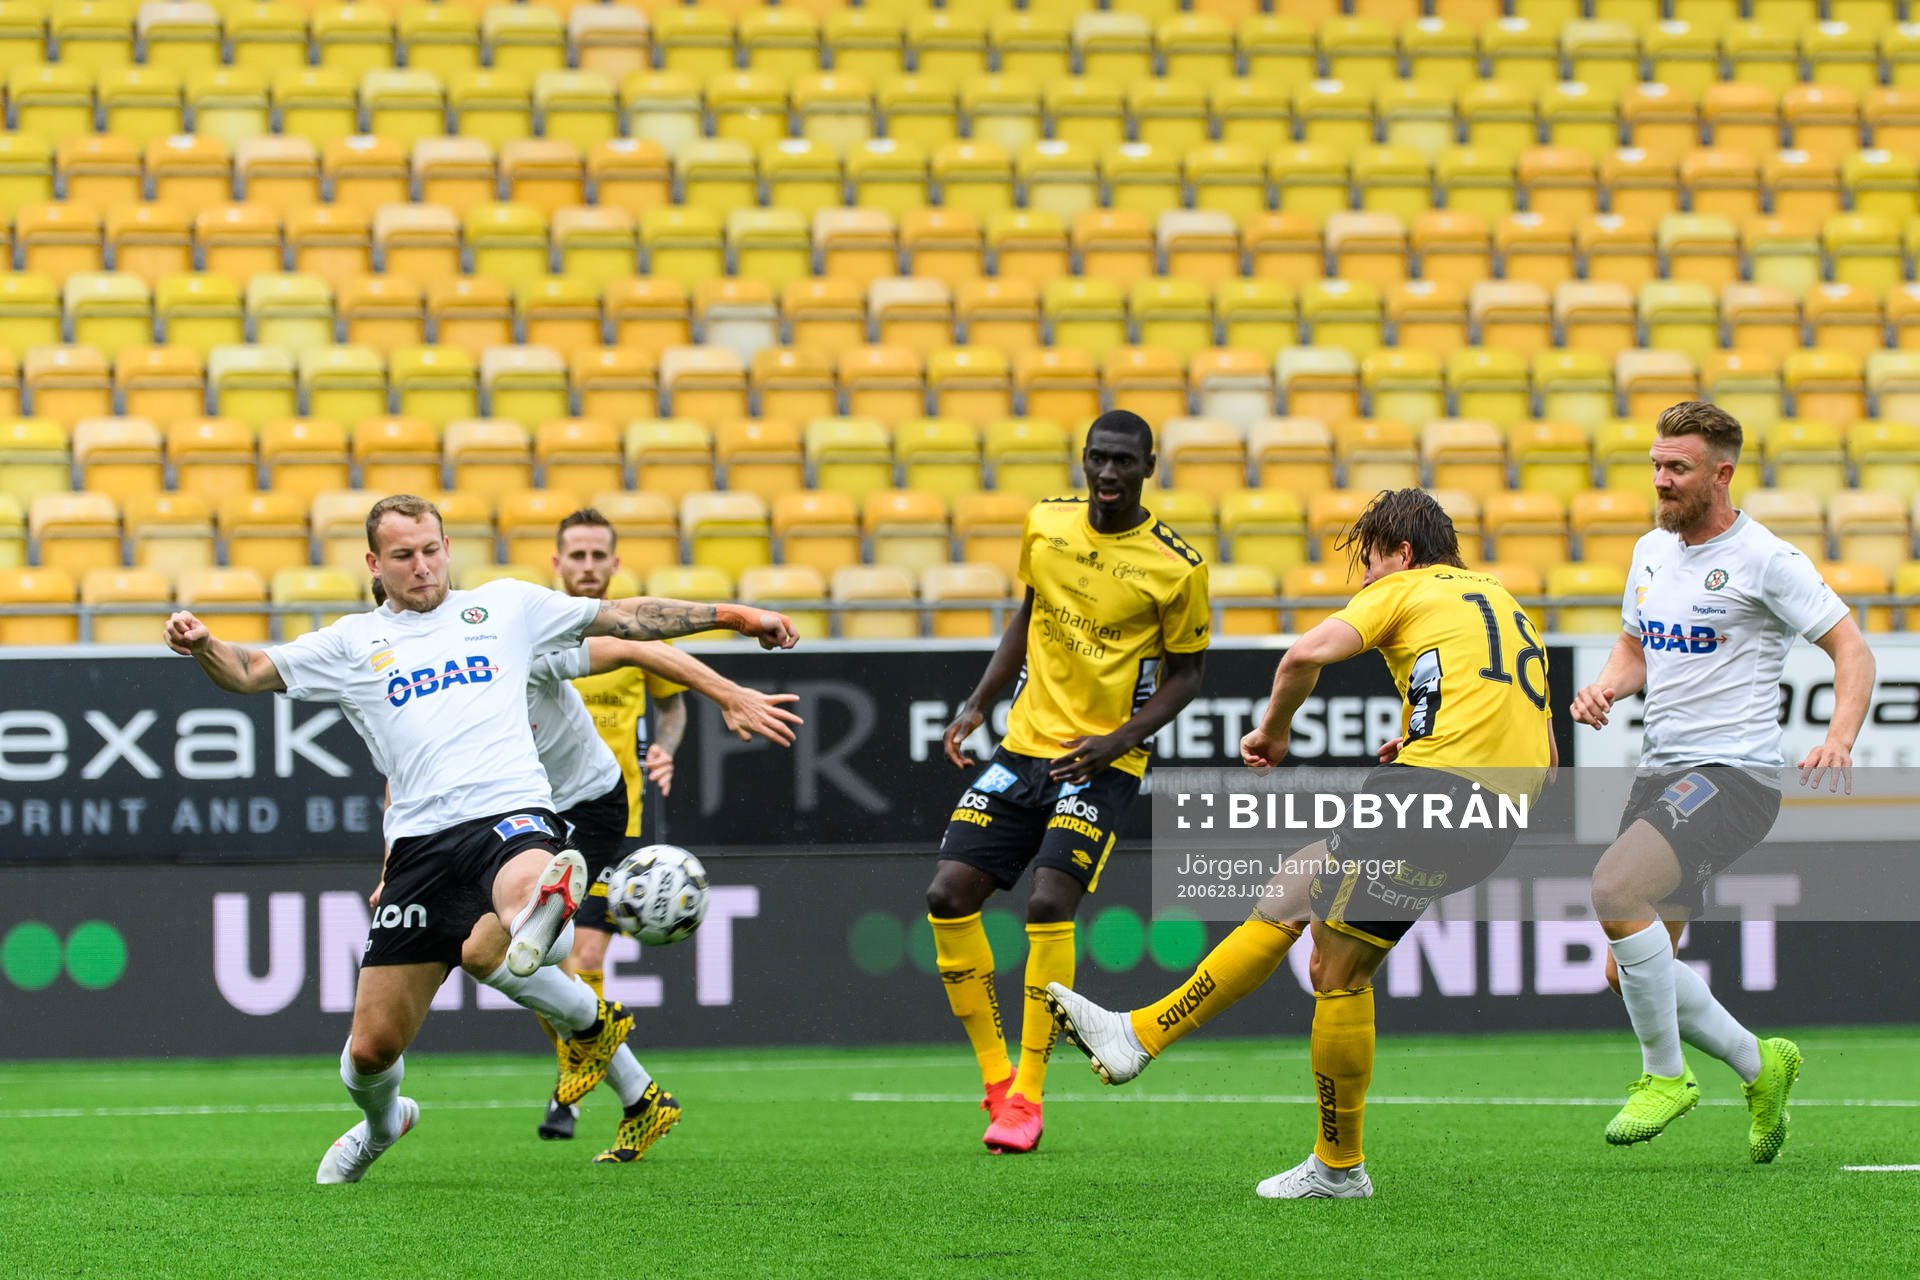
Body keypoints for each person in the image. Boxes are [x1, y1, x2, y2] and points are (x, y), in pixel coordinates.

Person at [164, 494, 797, 1184]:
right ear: (375, 563)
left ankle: (557, 930)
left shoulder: (503, 610)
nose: (423, 566)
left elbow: (626, 622)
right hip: (421, 848)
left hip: (522, 814)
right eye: (404, 555)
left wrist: (735, 619)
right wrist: (204, 645)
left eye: (432, 549)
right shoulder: (351, 644)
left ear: (446, 546)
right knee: (372, 1050)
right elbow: (253, 672)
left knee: (526, 897)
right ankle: (390, 1119)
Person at [1047, 488, 1555, 1198]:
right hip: (1496, 811)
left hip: (1431, 795)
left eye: (1370, 565)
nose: (1368, 583)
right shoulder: (1503, 602)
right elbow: (1541, 745)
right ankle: (1137, 1036)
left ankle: (1338, 1168)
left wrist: (1273, 732)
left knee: (1337, 972)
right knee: (1295, 888)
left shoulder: (1407, 587)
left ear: (1403, 554)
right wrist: (1424, 740)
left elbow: (1303, 656)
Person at [367, 577, 804, 1158]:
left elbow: (636, 647)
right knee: (481, 953)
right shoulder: (400, 683)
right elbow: (407, 783)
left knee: (486, 950)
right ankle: (641, 1096)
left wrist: (727, 693)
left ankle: (594, 1030)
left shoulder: (503, 644)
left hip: (583, 806)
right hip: (505, 821)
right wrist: (391, 868)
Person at [1571, 401, 1875, 1162]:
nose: (1662, 481)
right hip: (1662, 772)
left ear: (1721, 473)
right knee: (1628, 967)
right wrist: (1608, 686)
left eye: (1677, 469)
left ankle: (1663, 1076)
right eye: (1656, 466)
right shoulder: (1649, 550)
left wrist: (1838, 740)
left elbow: (1853, 651)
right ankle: (1758, 1063)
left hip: (1732, 775)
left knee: (1613, 890)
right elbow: (1635, 649)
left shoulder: (1765, 558)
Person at [924, 409, 1210, 1155]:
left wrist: (1117, 739)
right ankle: (995, 1077)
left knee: (1049, 899)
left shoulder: (1177, 567)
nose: (1107, 473)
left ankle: (1029, 1095)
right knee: (947, 894)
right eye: (1097, 459)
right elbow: (1028, 615)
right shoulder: (1045, 525)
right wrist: (979, 701)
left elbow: (1187, 676)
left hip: (1104, 760)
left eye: (1123, 461)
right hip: (1023, 748)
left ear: (1150, 463)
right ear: (1082, 460)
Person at [534, 508, 697, 1139]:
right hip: (542, 815)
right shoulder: (539, 630)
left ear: (615, 563)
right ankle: (588, 1067)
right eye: (576, 555)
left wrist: (666, 750)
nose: (587, 566)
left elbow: (673, 710)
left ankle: (569, 1095)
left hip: (613, 815)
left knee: (587, 950)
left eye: (598, 555)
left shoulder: (637, 633)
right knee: (541, 958)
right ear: (557, 563)